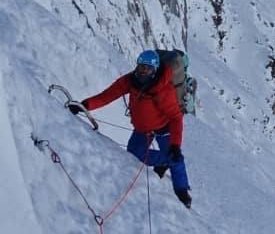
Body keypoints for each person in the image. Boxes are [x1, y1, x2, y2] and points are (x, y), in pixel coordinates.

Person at [71, 50, 192, 208]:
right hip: (143, 129)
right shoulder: (130, 81)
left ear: (155, 71)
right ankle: (164, 162)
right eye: (141, 67)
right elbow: (107, 95)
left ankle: (182, 191)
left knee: (175, 157)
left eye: (147, 69)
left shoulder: (163, 89)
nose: (143, 72)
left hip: (164, 126)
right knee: (135, 155)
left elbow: (176, 117)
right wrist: (84, 105)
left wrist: (175, 145)